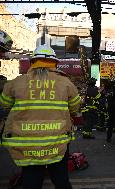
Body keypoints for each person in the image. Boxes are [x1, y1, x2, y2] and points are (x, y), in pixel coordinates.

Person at [0, 44, 81, 189]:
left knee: (31, 179)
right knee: (61, 179)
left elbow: (5, 104)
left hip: (27, 142)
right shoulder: (65, 83)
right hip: (57, 142)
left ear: (33, 62)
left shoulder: (17, 82)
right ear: (54, 63)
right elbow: (75, 107)